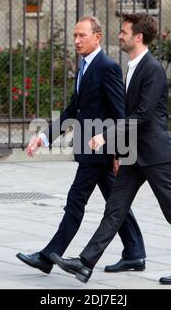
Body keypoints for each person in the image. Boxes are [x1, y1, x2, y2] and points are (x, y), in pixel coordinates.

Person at [50, 13, 171, 285]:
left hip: (154, 154)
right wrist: (120, 152)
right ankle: (86, 263)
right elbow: (127, 114)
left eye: (123, 31)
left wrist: (106, 136)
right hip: (134, 155)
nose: (119, 35)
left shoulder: (152, 69)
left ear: (138, 37)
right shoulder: (132, 66)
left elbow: (143, 115)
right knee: (115, 209)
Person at [16, 16, 146, 275]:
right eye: (74, 36)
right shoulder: (84, 66)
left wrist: (120, 152)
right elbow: (72, 111)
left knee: (76, 200)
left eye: (81, 35)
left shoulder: (106, 66)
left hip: (100, 150)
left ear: (97, 37)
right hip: (90, 150)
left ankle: (47, 256)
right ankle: (134, 253)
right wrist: (43, 137)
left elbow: (120, 114)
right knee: (116, 203)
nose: (76, 40)